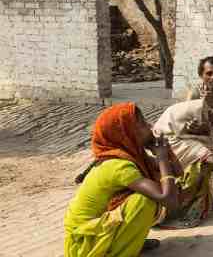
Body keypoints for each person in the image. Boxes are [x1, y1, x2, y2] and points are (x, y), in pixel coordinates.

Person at [64, 103, 179, 257]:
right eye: (143, 124)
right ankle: (115, 250)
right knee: (144, 202)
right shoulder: (118, 165)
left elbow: (177, 171)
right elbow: (169, 199)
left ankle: (127, 240)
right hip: (83, 243)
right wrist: (162, 157)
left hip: (91, 232)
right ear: (129, 133)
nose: (149, 126)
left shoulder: (133, 156)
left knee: (152, 194)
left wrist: (165, 149)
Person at [153, 97, 213, 228]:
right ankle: (185, 207)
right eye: (202, 116)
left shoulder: (176, 133)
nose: (206, 120)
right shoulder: (179, 142)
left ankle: (198, 197)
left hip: (169, 192)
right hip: (171, 198)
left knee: (210, 157)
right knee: (207, 163)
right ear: (186, 121)